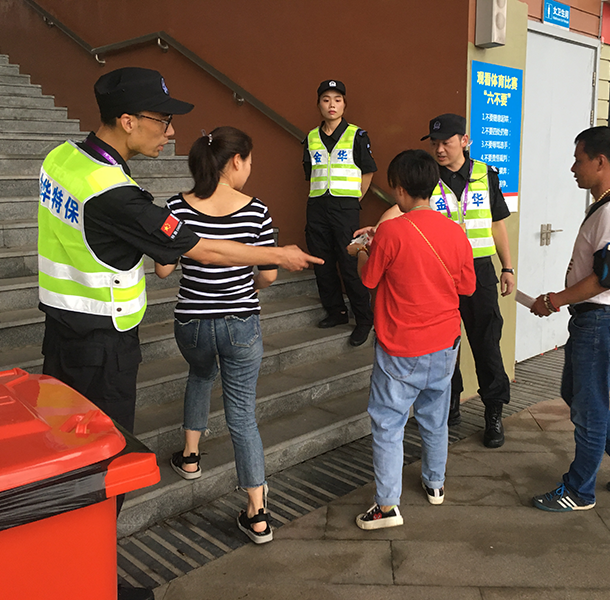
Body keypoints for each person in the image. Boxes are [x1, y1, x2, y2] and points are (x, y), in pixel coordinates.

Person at [37, 67, 320, 598]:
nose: (171, 133)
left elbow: (165, 260)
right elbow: (199, 249)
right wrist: (276, 254)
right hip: (102, 349)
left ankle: (73, 567)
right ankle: (90, 577)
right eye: (162, 121)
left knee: (72, 458)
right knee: (104, 463)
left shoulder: (61, 159)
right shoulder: (116, 195)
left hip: (62, 333)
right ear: (127, 121)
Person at [155, 126, 275, 544]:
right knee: (241, 414)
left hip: (192, 323)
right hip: (240, 324)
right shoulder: (257, 211)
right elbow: (269, 275)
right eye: (249, 161)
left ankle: (190, 457)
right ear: (236, 161)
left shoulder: (176, 206)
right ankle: (257, 513)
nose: (250, 168)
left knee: (201, 374)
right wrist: (245, 286)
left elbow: (163, 269)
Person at [529, 126, 610, 512]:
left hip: (602, 321)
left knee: (589, 410)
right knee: (579, 397)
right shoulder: (608, 203)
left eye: (578, 160)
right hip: (596, 320)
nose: (573, 168)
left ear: (600, 162)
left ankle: (579, 491)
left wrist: (555, 300)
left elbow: (607, 278)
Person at [349, 149, 475, 530]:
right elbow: (467, 286)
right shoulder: (455, 231)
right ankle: (435, 484)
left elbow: (369, 278)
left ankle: (387, 506)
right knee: (435, 417)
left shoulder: (391, 231)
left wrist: (362, 250)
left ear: (400, 189)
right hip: (445, 344)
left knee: (388, 423)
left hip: (401, 346)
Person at [377, 114, 514, 447]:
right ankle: (450, 404)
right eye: (435, 143)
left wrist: (507, 267)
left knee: (486, 342)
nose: (439, 149)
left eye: (446, 142)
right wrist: (378, 230)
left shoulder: (484, 175)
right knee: (444, 342)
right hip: (439, 272)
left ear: (464, 141)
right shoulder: (427, 176)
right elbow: (400, 210)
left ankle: (493, 411)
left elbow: (497, 223)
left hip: (479, 270)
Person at [303, 79, 376, 347]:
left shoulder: (357, 135)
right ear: (319, 104)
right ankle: (336, 312)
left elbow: (368, 171)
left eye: (337, 99)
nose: (331, 105)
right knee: (322, 263)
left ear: (345, 104)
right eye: (326, 100)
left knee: (349, 263)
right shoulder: (311, 137)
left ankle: (364, 319)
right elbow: (310, 173)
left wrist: (355, 198)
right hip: (317, 207)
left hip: (346, 209)